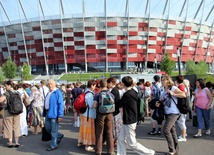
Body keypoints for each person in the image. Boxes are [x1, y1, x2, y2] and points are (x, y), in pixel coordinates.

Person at [117, 76, 155, 155]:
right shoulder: (134, 92)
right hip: (130, 118)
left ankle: (149, 152)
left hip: (129, 119)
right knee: (121, 139)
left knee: (132, 143)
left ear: (123, 84)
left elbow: (118, 104)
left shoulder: (127, 94)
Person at [157, 75, 185, 155]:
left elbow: (183, 94)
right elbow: (163, 100)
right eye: (161, 80)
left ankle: (172, 150)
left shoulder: (173, 88)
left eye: (163, 80)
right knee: (172, 131)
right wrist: (158, 102)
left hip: (173, 112)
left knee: (166, 130)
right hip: (167, 112)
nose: (162, 81)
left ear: (168, 81)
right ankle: (176, 150)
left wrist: (173, 94)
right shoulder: (163, 90)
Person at [94, 79, 115, 155]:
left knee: (99, 132)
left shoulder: (97, 95)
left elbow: (94, 105)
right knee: (109, 131)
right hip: (109, 113)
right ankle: (111, 150)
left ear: (100, 85)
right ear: (106, 85)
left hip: (100, 113)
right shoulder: (111, 94)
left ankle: (98, 150)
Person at [43, 79, 64, 151]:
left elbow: (60, 104)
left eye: (51, 84)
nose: (50, 85)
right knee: (47, 128)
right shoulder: (48, 92)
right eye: (48, 84)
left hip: (54, 114)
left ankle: (53, 144)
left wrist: (60, 115)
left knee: (53, 130)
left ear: (54, 84)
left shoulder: (57, 92)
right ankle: (59, 135)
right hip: (47, 112)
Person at [0, 80, 21, 148]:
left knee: (8, 126)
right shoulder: (17, 92)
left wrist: (4, 103)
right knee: (16, 126)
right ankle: (17, 142)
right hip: (17, 111)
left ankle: (10, 142)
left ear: (9, 85)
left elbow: (1, 100)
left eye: (6, 86)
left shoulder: (7, 93)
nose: (5, 87)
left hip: (8, 111)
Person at [77, 80, 96, 152]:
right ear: (91, 85)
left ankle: (80, 141)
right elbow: (91, 105)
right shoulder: (90, 94)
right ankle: (87, 145)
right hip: (89, 114)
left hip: (84, 113)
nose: (95, 87)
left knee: (83, 129)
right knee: (88, 130)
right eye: (94, 85)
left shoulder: (85, 92)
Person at [175, 75, 188, 142]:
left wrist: (174, 94)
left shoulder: (180, 86)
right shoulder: (183, 85)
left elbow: (183, 95)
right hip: (184, 106)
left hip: (182, 106)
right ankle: (184, 134)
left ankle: (183, 136)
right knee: (182, 121)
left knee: (181, 121)